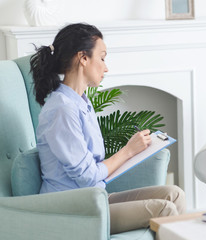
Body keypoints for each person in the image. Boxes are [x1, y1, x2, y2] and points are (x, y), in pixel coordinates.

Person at [30, 23, 185, 234]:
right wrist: (128, 150)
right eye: (102, 58)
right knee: (164, 209)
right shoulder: (62, 110)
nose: (106, 67)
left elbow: (94, 169)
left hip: (94, 198)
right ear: (83, 58)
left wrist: (138, 151)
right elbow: (86, 176)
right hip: (72, 210)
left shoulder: (81, 102)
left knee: (174, 194)